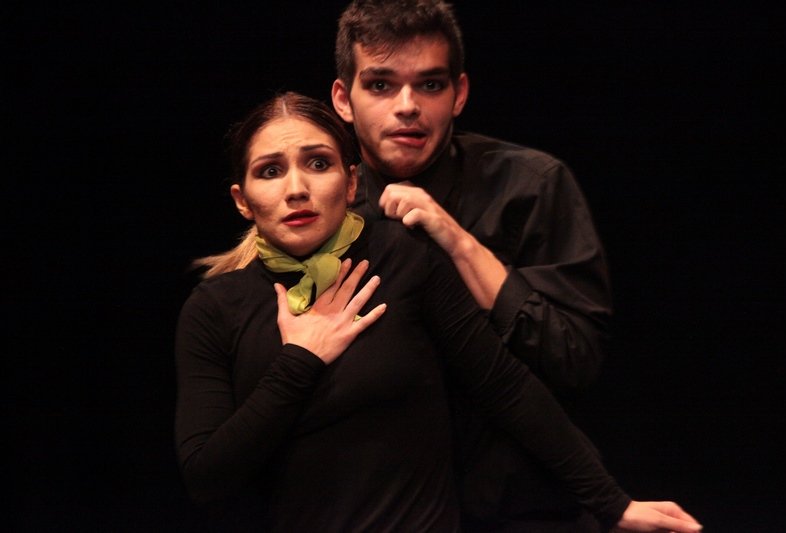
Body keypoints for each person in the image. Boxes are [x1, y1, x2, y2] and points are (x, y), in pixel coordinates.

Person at [174, 92, 701, 532]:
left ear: (351, 182)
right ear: (242, 199)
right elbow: (206, 478)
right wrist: (299, 360)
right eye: (271, 171)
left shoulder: (402, 259)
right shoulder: (215, 308)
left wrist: (611, 504)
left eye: (318, 163)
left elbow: (504, 385)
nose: (296, 189)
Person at [329, 1, 614, 529]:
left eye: (430, 85)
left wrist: (459, 242)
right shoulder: (323, 210)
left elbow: (575, 360)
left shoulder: (530, 185)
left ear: (458, 94)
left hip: (528, 509)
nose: (407, 106)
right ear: (344, 99)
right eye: (381, 85)